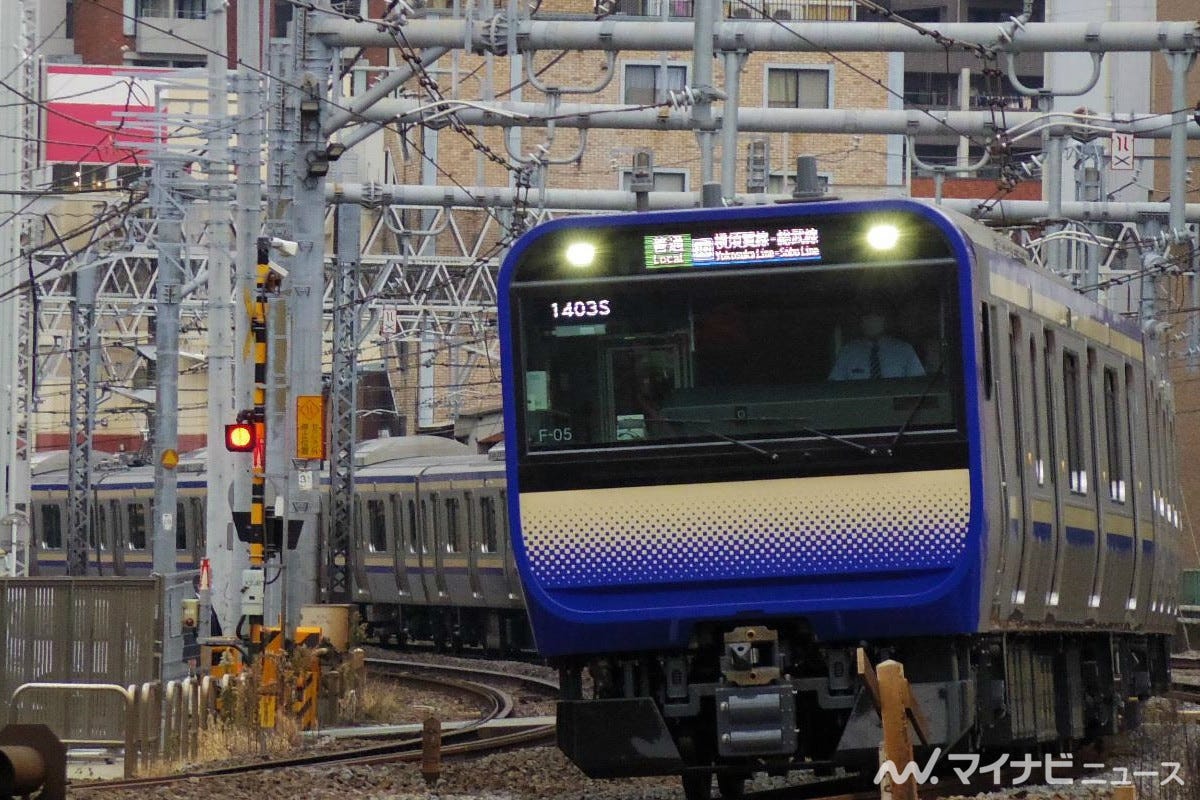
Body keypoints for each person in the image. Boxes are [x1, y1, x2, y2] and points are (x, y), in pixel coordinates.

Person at [828, 308, 925, 380]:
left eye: (877, 316)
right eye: (867, 317)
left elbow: (917, 385)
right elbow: (835, 386)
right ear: (861, 322)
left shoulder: (905, 350)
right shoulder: (848, 351)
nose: (872, 320)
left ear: (885, 320)